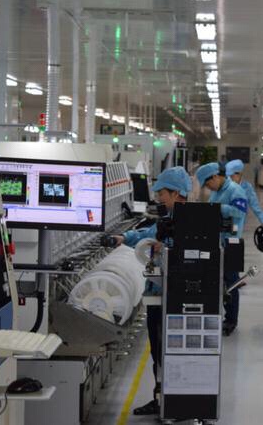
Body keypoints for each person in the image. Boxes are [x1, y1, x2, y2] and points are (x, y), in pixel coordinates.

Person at [111, 166, 192, 416]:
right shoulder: (169, 218)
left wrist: (166, 248)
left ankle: (177, 401)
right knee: (158, 351)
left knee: (172, 351)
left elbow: (195, 255)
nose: (159, 199)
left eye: (162, 194)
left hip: (176, 298)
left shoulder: (193, 221)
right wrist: (124, 238)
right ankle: (161, 399)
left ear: (176, 193)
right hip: (159, 293)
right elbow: (149, 233)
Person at [195, 162, 247, 336]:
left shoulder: (235, 190)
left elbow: (240, 212)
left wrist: (218, 208)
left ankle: (231, 320)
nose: (208, 187)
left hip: (231, 244)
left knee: (231, 284)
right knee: (218, 282)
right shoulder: (216, 192)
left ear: (216, 176)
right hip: (217, 243)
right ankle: (218, 315)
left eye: (208, 183)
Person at [225, 159, 263, 225]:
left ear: (240, 174)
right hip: (224, 219)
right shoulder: (224, 186)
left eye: (232, 176)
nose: (230, 179)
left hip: (238, 220)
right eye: (228, 176)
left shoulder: (247, 187)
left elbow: (254, 204)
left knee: (236, 230)